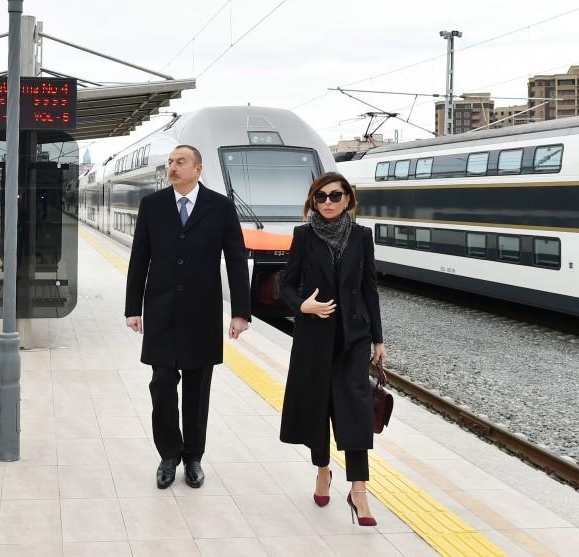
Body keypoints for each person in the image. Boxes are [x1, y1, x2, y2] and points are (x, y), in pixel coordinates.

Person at [125, 144, 250, 489]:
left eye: (181, 162)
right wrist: (133, 308)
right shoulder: (152, 205)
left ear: (198, 168)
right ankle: (169, 455)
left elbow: (236, 260)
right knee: (162, 384)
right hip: (161, 310)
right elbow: (140, 258)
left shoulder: (221, 207)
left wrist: (241, 312)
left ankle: (193, 457)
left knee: (197, 389)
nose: (173, 167)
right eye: (170, 162)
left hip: (202, 313)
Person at [278, 172, 386, 526]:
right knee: (318, 406)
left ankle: (359, 489)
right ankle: (323, 470)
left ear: (348, 199)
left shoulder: (361, 236)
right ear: (313, 200)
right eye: (321, 196)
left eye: (335, 196)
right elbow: (285, 283)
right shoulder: (303, 235)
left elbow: (369, 289)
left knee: (355, 411)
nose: (327, 202)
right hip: (314, 337)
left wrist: (378, 339)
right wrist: (302, 306)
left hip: (353, 339)